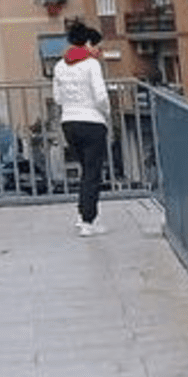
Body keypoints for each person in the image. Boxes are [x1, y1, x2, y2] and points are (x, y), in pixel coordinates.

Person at [53, 22, 109, 237]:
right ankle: (88, 221)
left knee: (85, 171)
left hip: (69, 123)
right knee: (93, 173)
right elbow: (101, 96)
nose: (98, 51)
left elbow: (57, 98)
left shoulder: (59, 66)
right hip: (92, 123)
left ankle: (82, 215)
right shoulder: (91, 65)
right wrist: (106, 112)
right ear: (87, 43)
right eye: (96, 46)